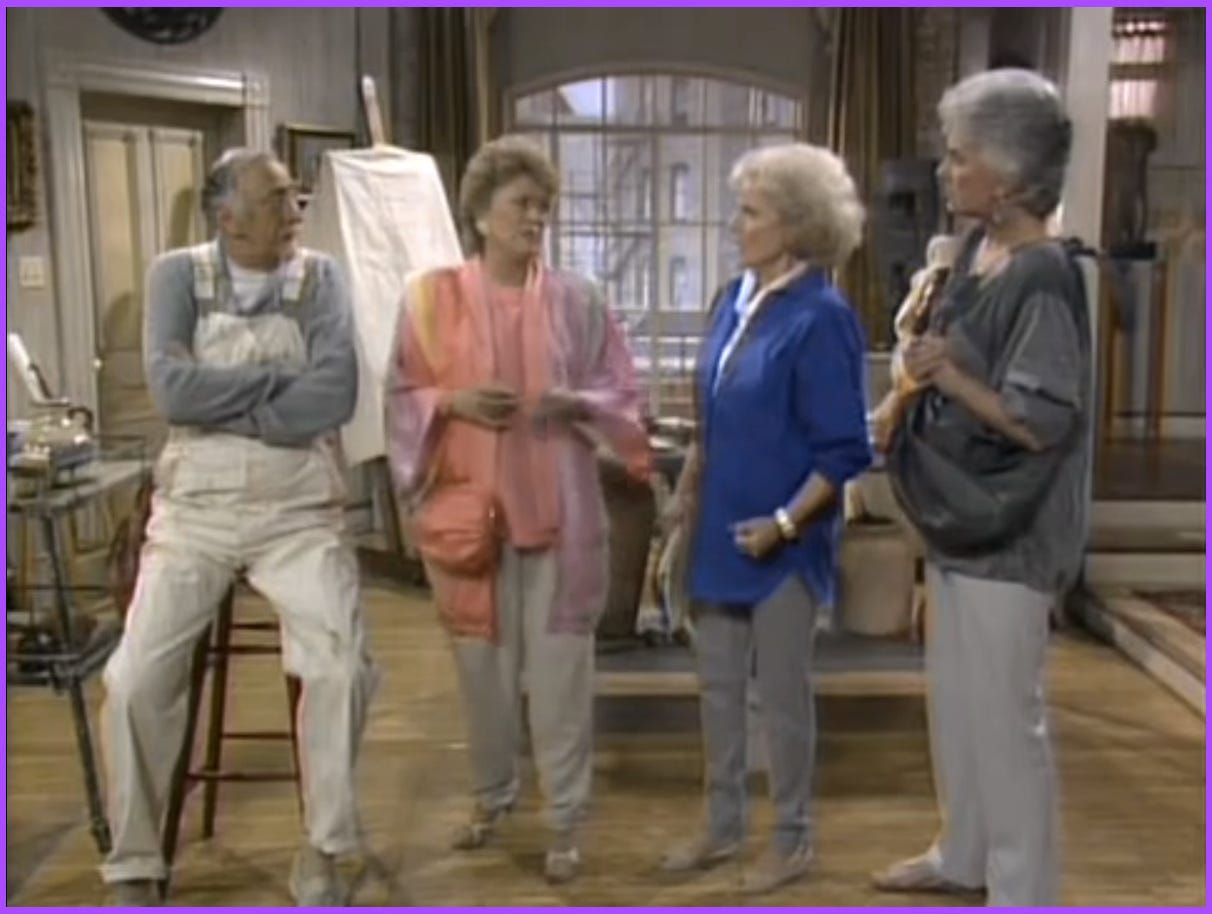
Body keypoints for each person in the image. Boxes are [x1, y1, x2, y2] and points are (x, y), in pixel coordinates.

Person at [99, 149, 377, 906]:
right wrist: (276, 387)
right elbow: (172, 392)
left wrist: (226, 404)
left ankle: (322, 849)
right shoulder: (175, 277)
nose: (295, 211)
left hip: (298, 514)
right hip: (196, 513)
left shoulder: (321, 280)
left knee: (341, 666)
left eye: (295, 195)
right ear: (228, 218)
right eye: (278, 199)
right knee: (132, 679)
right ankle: (134, 862)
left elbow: (335, 395)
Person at [384, 135, 650, 885]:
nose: (536, 218)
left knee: (562, 676)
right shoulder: (430, 299)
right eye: (521, 204)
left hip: (561, 517)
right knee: (482, 673)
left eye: (544, 206)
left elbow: (622, 390)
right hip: (470, 518)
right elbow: (401, 392)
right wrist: (453, 402)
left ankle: (565, 821)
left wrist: (578, 402)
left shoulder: (577, 299)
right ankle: (492, 797)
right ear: (480, 214)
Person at [872, 69, 1088, 907]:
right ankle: (961, 853)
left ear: (1006, 177)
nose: (946, 170)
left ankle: (1023, 890)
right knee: (958, 709)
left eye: (960, 158)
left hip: (1011, 533)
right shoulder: (972, 253)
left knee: (1005, 721)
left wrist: (950, 378)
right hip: (959, 518)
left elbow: (1039, 420)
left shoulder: (1044, 275)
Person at [660, 143, 872, 895]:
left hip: (785, 543)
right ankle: (722, 826)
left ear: (797, 225)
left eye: (751, 213)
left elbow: (845, 452)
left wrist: (783, 524)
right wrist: (688, 489)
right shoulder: (732, 298)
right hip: (719, 530)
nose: (736, 225)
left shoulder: (823, 318)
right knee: (717, 689)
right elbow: (712, 415)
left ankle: (792, 838)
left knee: (781, 697)